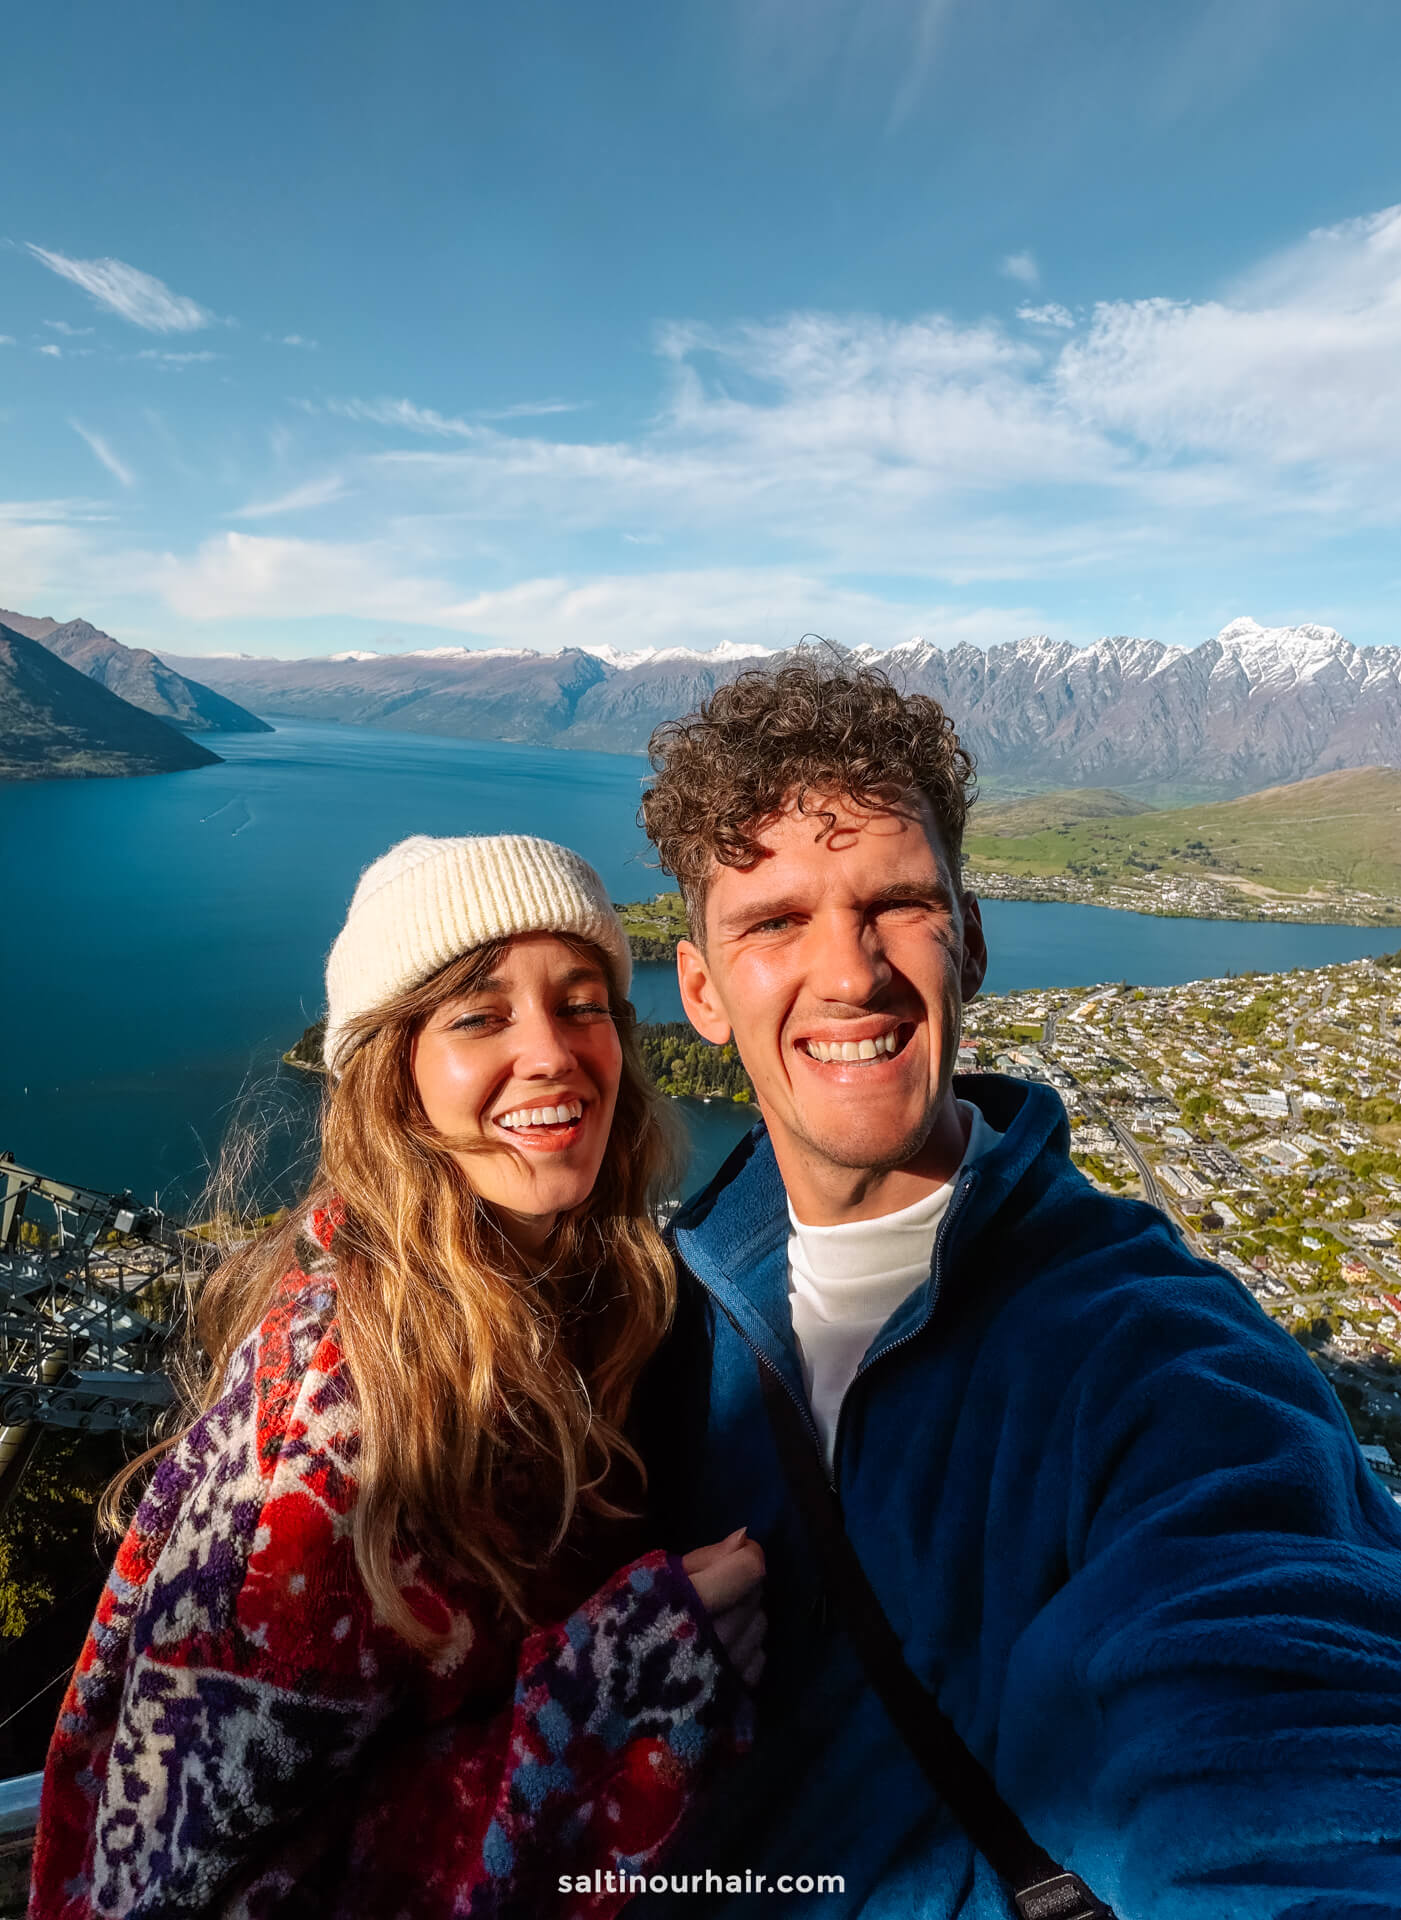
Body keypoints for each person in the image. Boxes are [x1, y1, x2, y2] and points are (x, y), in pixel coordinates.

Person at [630, 657, 1401, 1918]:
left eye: (898, 904)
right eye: (775, 921)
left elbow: (1289, 1739)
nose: (850, 971)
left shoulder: (1142, 1359)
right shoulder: (665, 1319)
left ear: (971, 942)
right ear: (703, 990)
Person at [30, 833, 765, 1920]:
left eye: (584, 1003)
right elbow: (176, 1892)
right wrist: (621, 1684)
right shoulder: (335, 1423)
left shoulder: (552, 1303)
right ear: (394, 1077)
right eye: (478, 1016)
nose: (554, 1051)